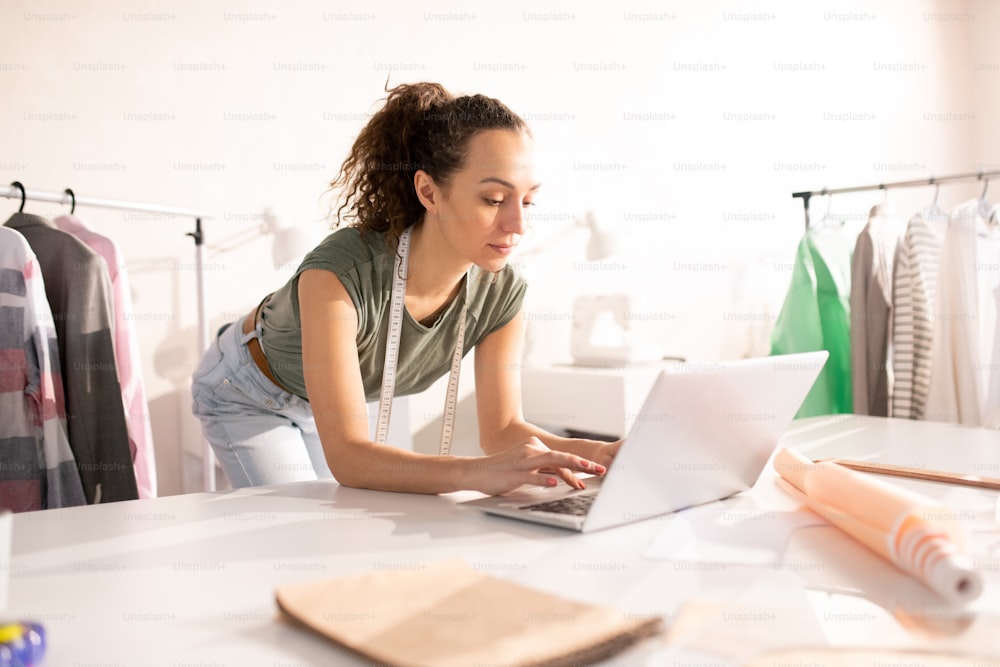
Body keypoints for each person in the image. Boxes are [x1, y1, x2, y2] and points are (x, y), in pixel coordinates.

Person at [191, 82, 619, 495]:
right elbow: (350, 458)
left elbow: (502, 429)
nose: (518, 226)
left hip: (325, 410)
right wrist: (477, 474)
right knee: (304, 530)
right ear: (429, 191)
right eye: (493, 199)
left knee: (343, 525)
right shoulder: (341, 272)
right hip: (248, 390)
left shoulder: (502, 293)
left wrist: (606, 454)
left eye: (526, 202)